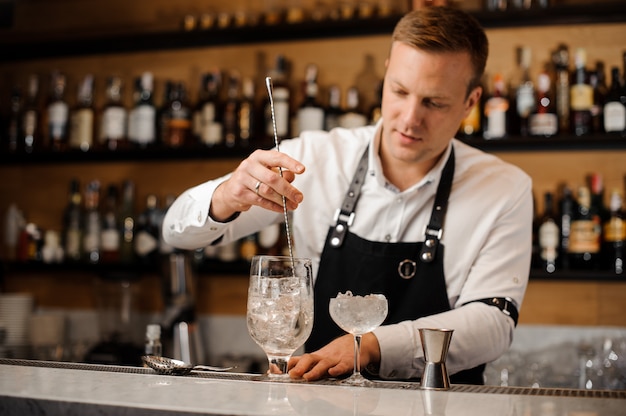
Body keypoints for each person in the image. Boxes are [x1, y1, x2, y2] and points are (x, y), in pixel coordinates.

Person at [162, 5, 533, 385]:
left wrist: (372, 347)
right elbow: (176, 233)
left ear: (471, 102)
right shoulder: (315, 159)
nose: (409, 118)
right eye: (399, 91)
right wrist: (226, 197)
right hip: (320, 404)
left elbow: (493, 322)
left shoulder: (504, 189)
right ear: (387, 72)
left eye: (433, 103)